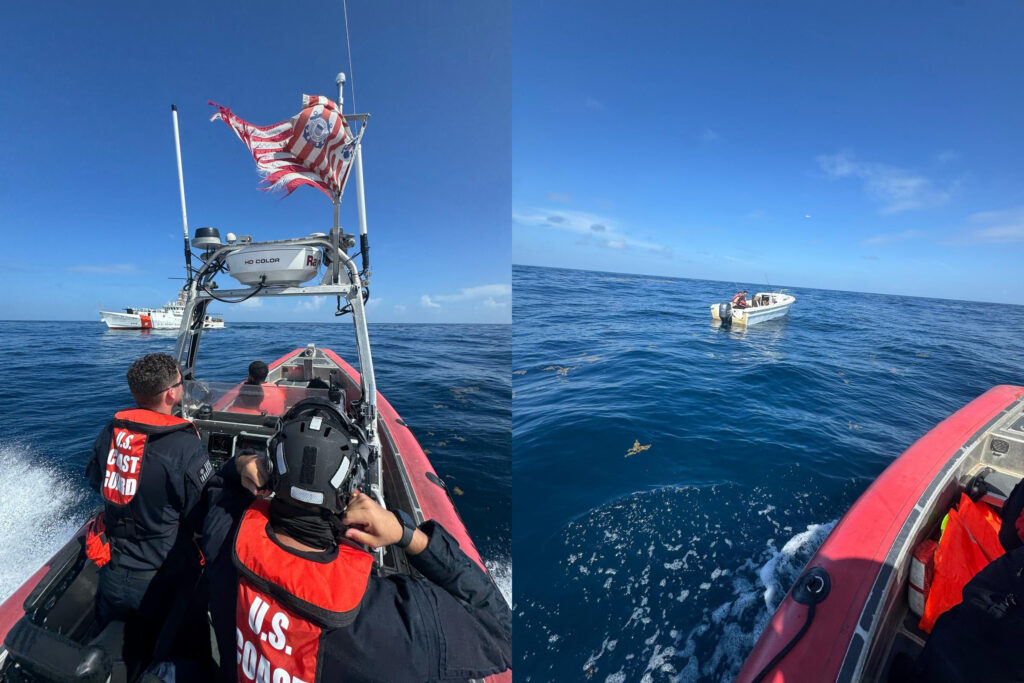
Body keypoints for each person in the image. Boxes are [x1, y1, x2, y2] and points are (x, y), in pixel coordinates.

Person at [202, 398, 512, 683]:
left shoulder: (221, 535)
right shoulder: (398, 623)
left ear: (270, 475)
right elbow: (501, 632)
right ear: (352, 489)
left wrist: (242, 462)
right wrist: (407, 535)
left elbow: (219, 483)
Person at [85, 352, 264, 673]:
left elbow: (100, 482)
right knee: (189, 660)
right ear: (172, 393)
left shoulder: (109, 432)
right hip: (163, 583)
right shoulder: (184, 447)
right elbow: (203, 515)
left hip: (112, 576)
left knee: (124, 655)